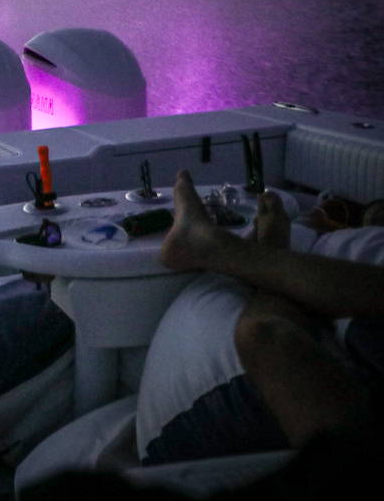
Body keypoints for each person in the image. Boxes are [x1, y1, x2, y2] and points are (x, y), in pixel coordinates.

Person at [160, 170, 384, 449]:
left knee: (265, 335)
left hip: (200, 430)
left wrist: (271, 247)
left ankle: (213, 246)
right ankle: (220, 246)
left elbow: (268, 339)